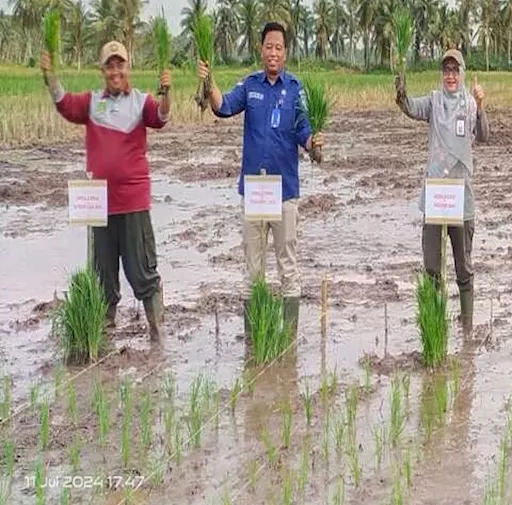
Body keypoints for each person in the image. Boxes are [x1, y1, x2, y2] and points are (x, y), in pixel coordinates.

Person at [197, 21, 323, 340]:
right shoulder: (249, 86)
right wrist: (208, 81)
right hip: (254, 192)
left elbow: (304, 132)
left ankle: (288, 340)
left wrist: (313, 144)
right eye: (268, 46)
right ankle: (255, 341)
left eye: (279, 47)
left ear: (286, 51)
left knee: (288, 266)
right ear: (261, 49)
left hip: (284, 192)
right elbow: (222, 107)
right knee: (253, 269)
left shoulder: (295, 89)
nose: (273, 52)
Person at [41, 41, 171, 340]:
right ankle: (104, 330)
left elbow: (161, 118)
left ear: (128, 67)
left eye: (120, 64)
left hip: (133, 200)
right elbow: (64, 103)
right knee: (103, 272)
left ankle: (156, 330)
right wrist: (49, 76)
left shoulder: (140, 101)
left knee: (142, 270)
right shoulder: (91, 103)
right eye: (109, 65)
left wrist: (168, 92)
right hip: (99, 203)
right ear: (102, 70)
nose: (115, 71)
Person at [395, 48, 490, 331]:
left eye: (455, 70)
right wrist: (400, 89)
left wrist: (482, 105)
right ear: (442, 74)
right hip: (437, 196)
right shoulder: (434, 102)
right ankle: (435, 324)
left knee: (464, 267)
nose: (450, 75)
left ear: (462, 73)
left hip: (462, 197)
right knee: (433, 268)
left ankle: (467, 328)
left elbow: (484, 136)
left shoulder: (471, 104)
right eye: (446, 71)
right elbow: (410, 107)